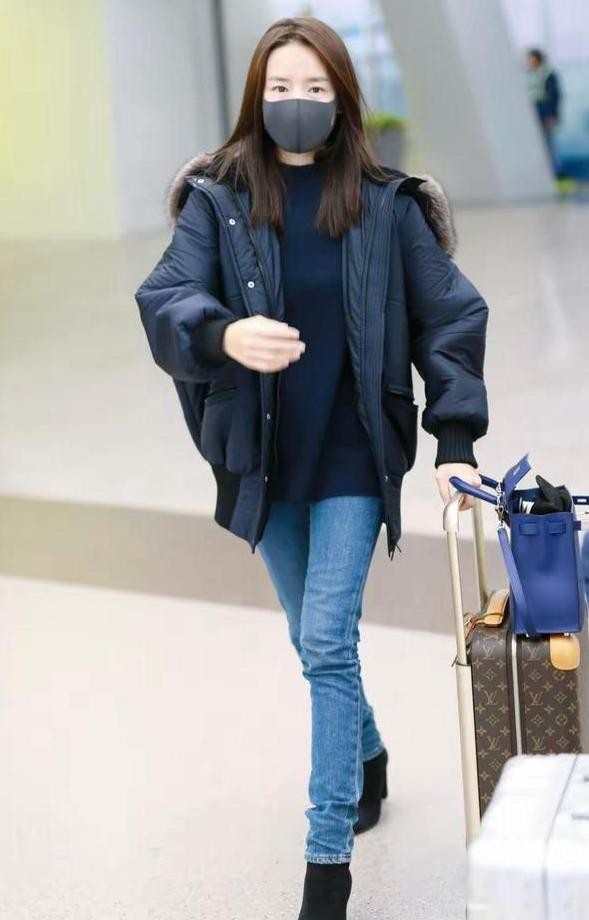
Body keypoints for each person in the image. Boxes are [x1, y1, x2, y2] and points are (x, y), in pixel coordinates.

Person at [135, 16, 488, 919]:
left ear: (343, 98)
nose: (297, 103)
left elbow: (449, 316)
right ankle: (367, 753)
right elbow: (167, 296)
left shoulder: (386, 204)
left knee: (328, 641)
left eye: (315, 89)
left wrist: (453, 441)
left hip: (351, 455)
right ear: (257, 96)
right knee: (311, 641)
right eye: (281, 89)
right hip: (261, 457)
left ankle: (325, 869)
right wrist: (223, 333)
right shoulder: (217, 199)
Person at [527, 47, 562, 177]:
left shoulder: (548, 74)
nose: (529, 62)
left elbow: (554, 96)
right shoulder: (530, 74)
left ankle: (557, 173)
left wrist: (552, 114)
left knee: (549, 145)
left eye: (531, 59)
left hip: (545, 113)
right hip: (535, 112)